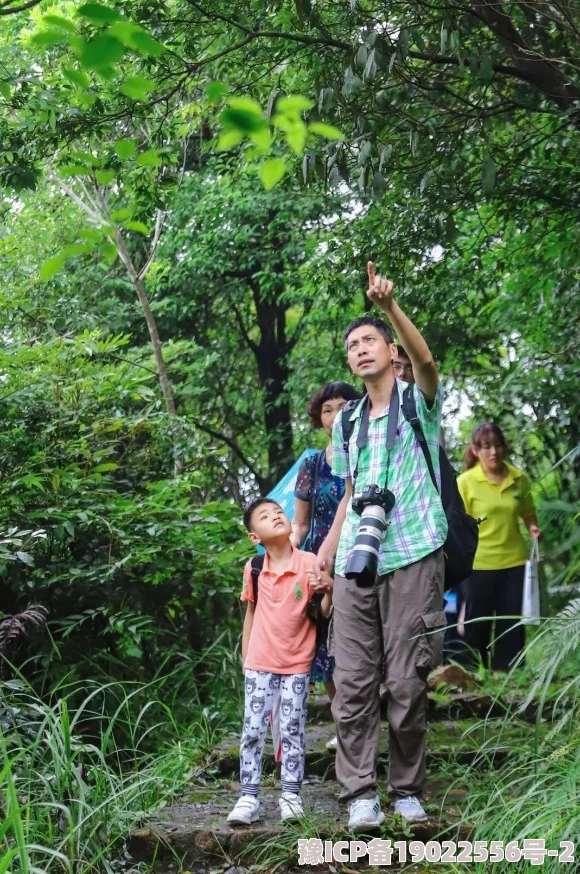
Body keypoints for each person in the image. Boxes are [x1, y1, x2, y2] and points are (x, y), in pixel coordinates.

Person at [316, 262, 448, 830]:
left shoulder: (415, 404)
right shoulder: (345, 424)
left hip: (415, 548)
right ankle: (359, 793)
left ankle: (407, 787)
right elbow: (347, 495)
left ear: (387, 349)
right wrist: (323, 556)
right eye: (352, 345)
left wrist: (390, 305)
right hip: (355, 561)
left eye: (369, 339)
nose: (360, 349)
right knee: (352, 680)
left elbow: (427, 364)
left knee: (405, 677)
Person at [227, 498, 333, 826]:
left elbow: (322, 611)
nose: (275, 515)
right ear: (254, 537)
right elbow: (251, 613)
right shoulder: (254, 568)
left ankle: (290, 794)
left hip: (297, 663)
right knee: (253, 730)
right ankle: (249, 796)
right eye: (264, 515)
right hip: (260, 661)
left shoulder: (310, 562)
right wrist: (246, 659)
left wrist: (329, 589)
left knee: (292, 730)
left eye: (278, 512)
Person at [291, 381, 361, 750]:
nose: (336, 416)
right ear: (318, 419)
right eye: (327, 409)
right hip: (320, 564)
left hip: (364, 559)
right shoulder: (312, 464)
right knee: (324, 647)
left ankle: (364, 719)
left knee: (359, 642)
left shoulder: (370, 456)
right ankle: (345, 727)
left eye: (343, 406)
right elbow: (300, 522)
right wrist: (286, 549)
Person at [457, 423, 540, 671]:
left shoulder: (519, 479)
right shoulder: (465, 482)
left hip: (514, 562)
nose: (493, 452)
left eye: (498, 445)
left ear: (505, 447)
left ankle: (511, 675)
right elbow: (459, 526)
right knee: (476, 625)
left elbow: (528, 513)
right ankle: (474, 674)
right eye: (486, 447)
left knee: (511, 623)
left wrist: (533, 528)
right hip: (478, 565)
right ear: (475, 450)